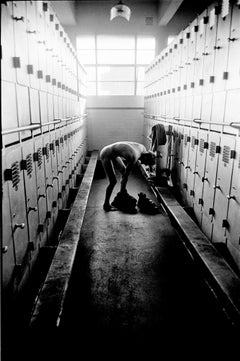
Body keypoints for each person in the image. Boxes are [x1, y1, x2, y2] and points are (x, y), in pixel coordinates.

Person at [100, 141, 155, 212]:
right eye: (144, 162)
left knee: (123, 171)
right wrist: (123, 191)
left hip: (112, 152)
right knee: (113, 181)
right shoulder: (133, 157)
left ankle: (122, 192)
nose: (142, 163)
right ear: (145, 158)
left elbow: (125, 174)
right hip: (105, 153)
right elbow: (126, 175)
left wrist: (151, 174)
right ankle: (106, 205)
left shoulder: (143, 148)